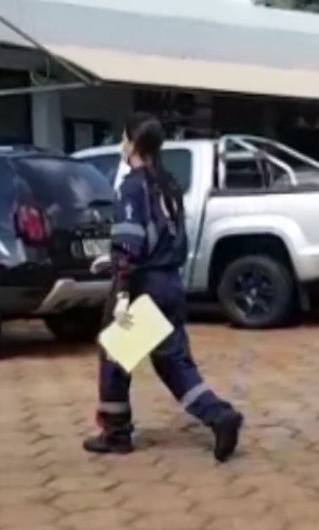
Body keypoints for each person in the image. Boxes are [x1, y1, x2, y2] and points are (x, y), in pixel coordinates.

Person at [84, 113, 244, 461]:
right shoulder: (168, 184)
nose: (122, 146)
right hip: (170, 285)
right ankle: (221, 416)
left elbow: (131, 245)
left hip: (144, 290)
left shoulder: (132, 187)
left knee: (114, 356)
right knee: (174, 364)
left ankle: (116, 433)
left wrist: (122, 293)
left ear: (132, 143)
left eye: (124, 139)